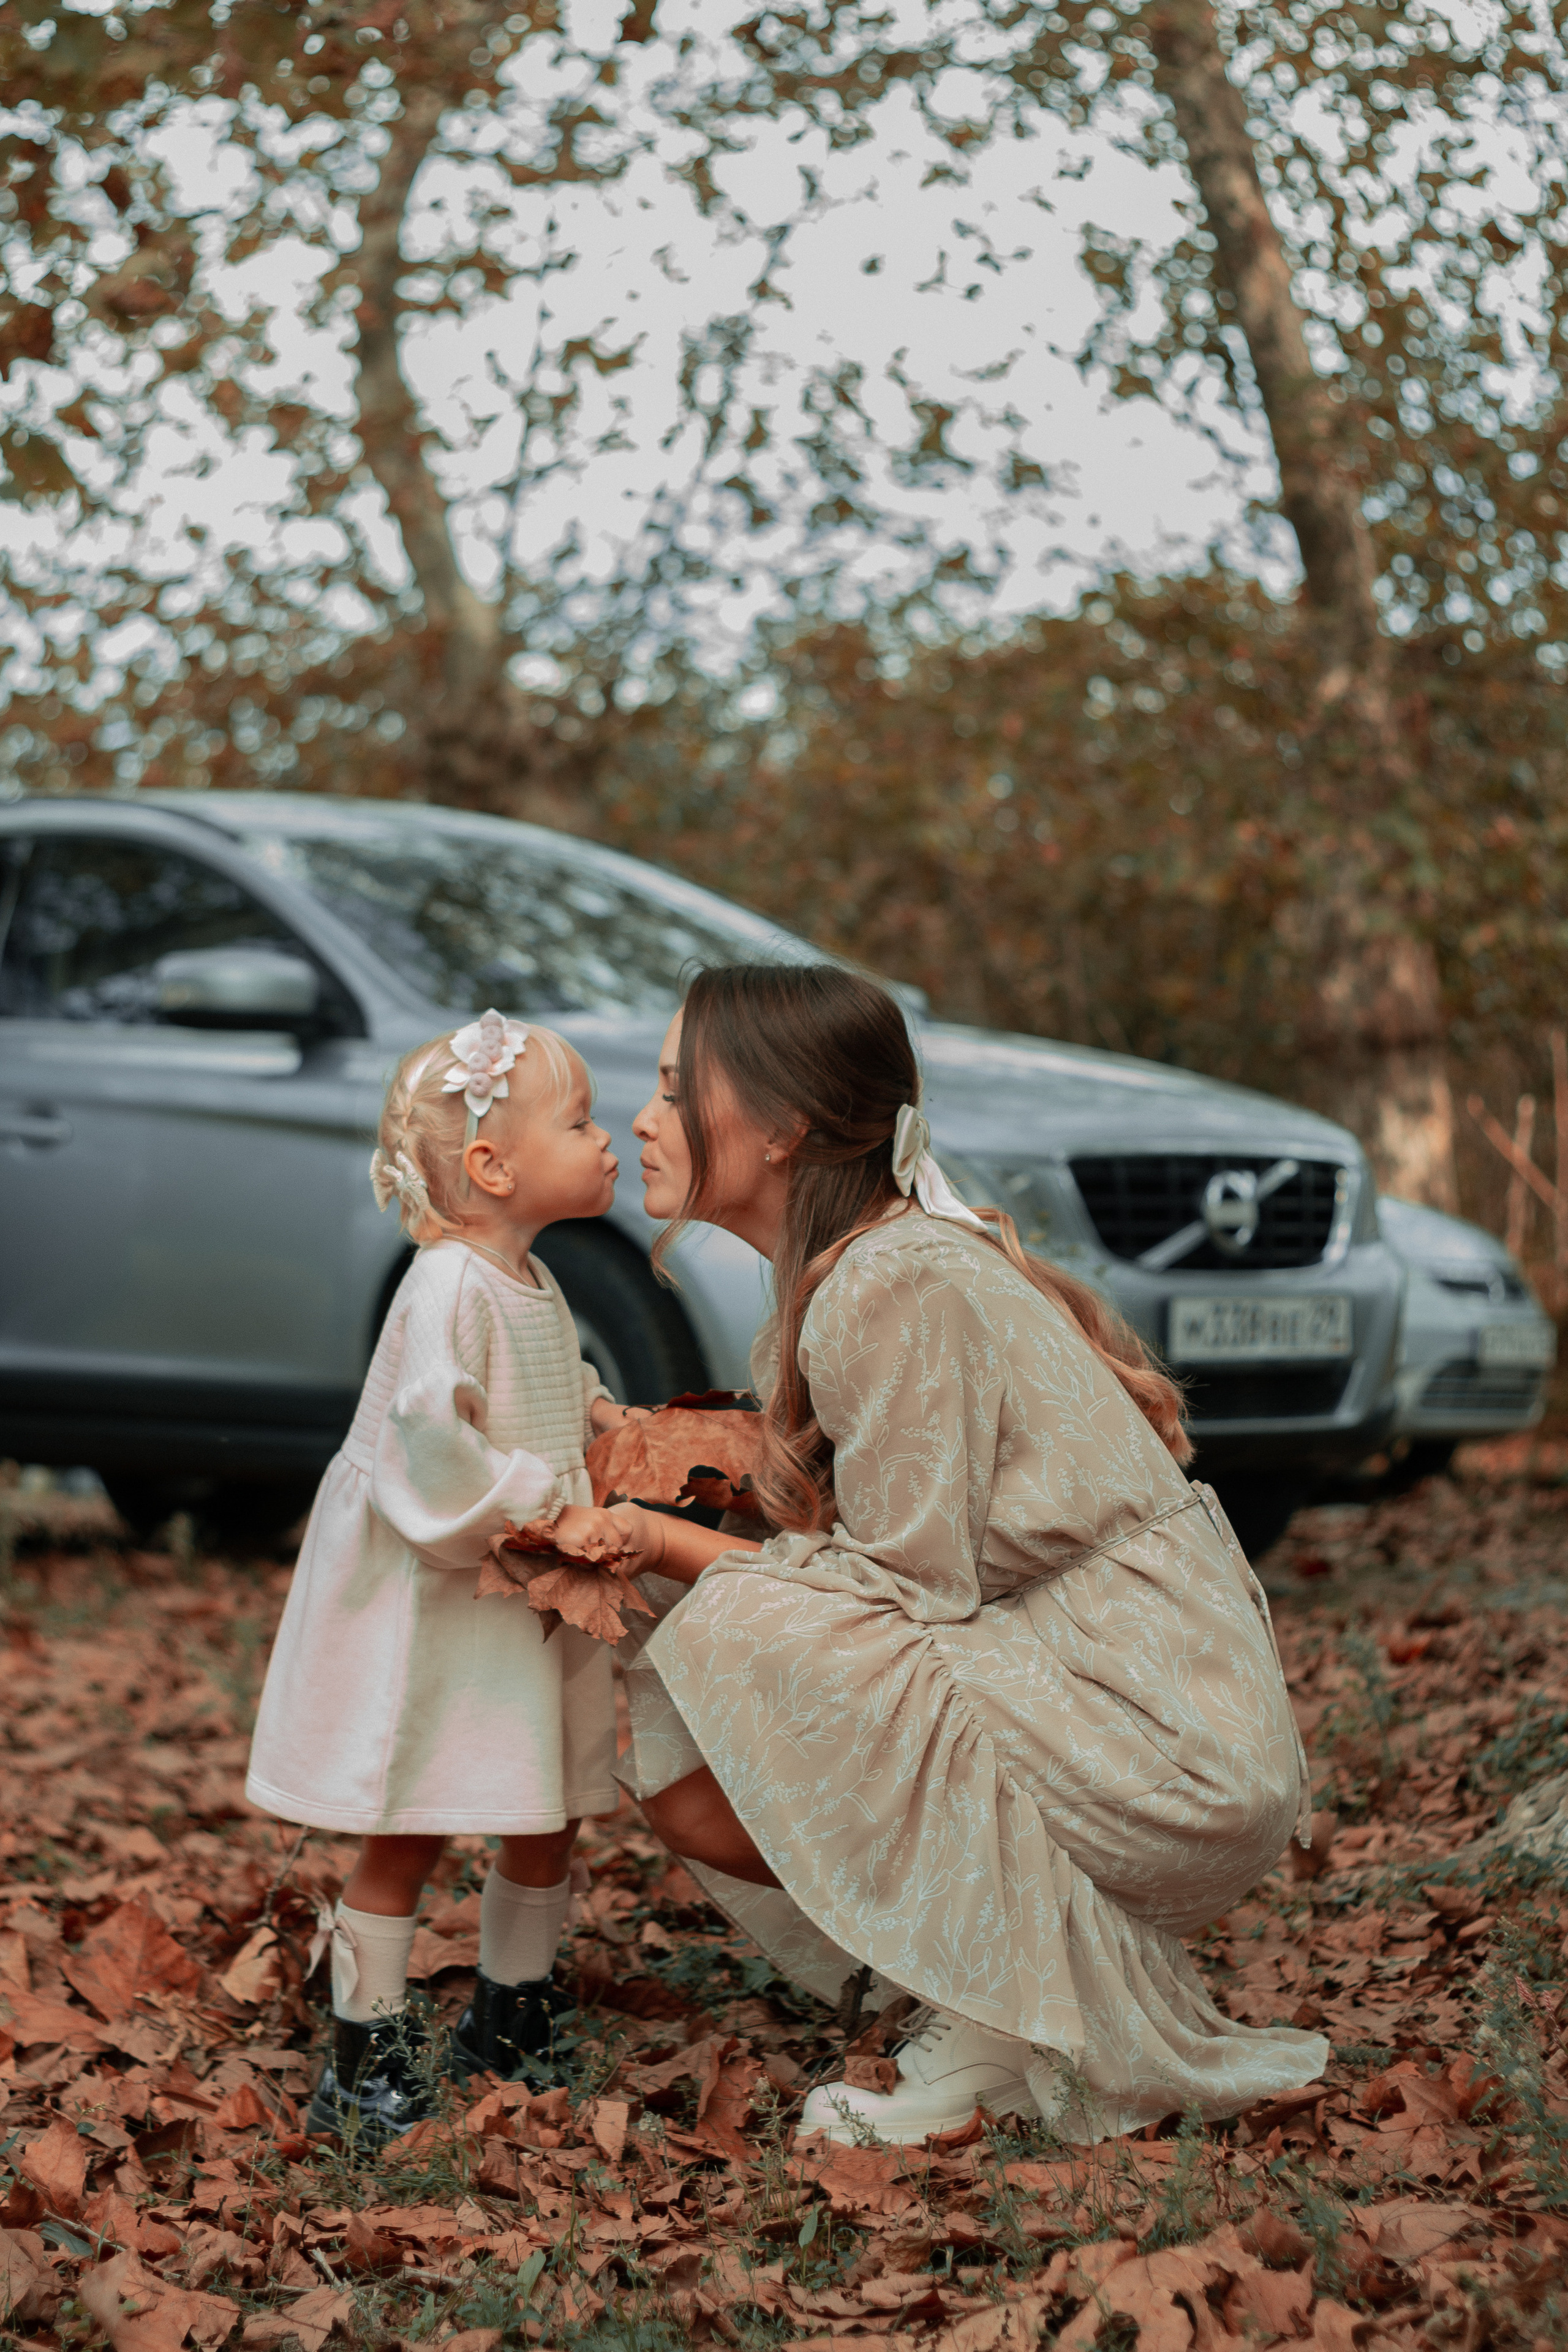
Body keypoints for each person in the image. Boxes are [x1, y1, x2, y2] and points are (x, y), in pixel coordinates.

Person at [606, 963, 1329, 2144]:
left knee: (732, 1619)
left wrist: (653, 1537)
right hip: (1116, 1688)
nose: (642, 1118)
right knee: (703, 1701)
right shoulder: (864, 1272)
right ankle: (974, 1983)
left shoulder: (893, 1282)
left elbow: (904, 1595)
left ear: (785, 1126)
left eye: (680, 1088)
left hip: (1162, 1734)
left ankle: (998, 2027)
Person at [245, 1010, 638, 2144]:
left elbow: (550, 1377)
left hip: (520, 1587)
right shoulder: (445, 1287)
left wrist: (605, 1415)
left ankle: (513, 2012)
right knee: (411, 1815)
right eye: (581, 1122)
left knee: (548, 1804)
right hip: (444, 1585)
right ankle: (366, 2049)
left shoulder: (528, 1277)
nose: (608, 1140)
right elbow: (432, 1439)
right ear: (492, 1164)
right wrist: (546, 1503)